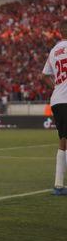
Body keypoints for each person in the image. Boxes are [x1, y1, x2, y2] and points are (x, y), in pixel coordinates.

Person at [42, 19, 67, 196]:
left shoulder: (54, 51)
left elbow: (44, 75)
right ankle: (58, 185)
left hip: (57, 99)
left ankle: (59, 184)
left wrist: (56, 86)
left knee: (63, 140)